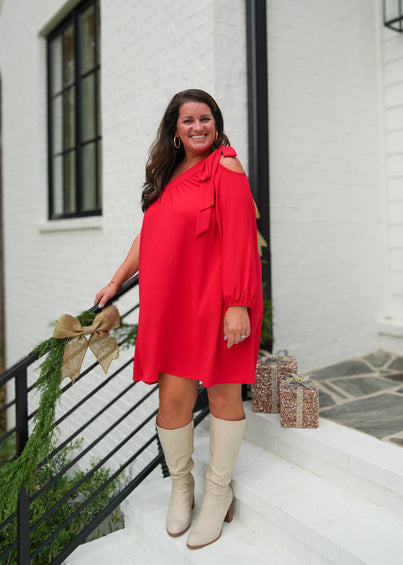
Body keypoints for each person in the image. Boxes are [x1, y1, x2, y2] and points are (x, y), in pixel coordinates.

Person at [95, 89, 262, 550]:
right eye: (187, 120)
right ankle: (182, 486)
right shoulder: (168, 176)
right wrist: (116, 281)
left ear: (215, 122)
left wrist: (237, 304)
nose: (197, 127)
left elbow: (243, 238)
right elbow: (147, 236)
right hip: (171, 305)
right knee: (173, 403)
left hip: (217, 302)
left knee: (225, 393)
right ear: (175, 129)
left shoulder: (225, 166)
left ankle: (217, 492)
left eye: (204, 118)